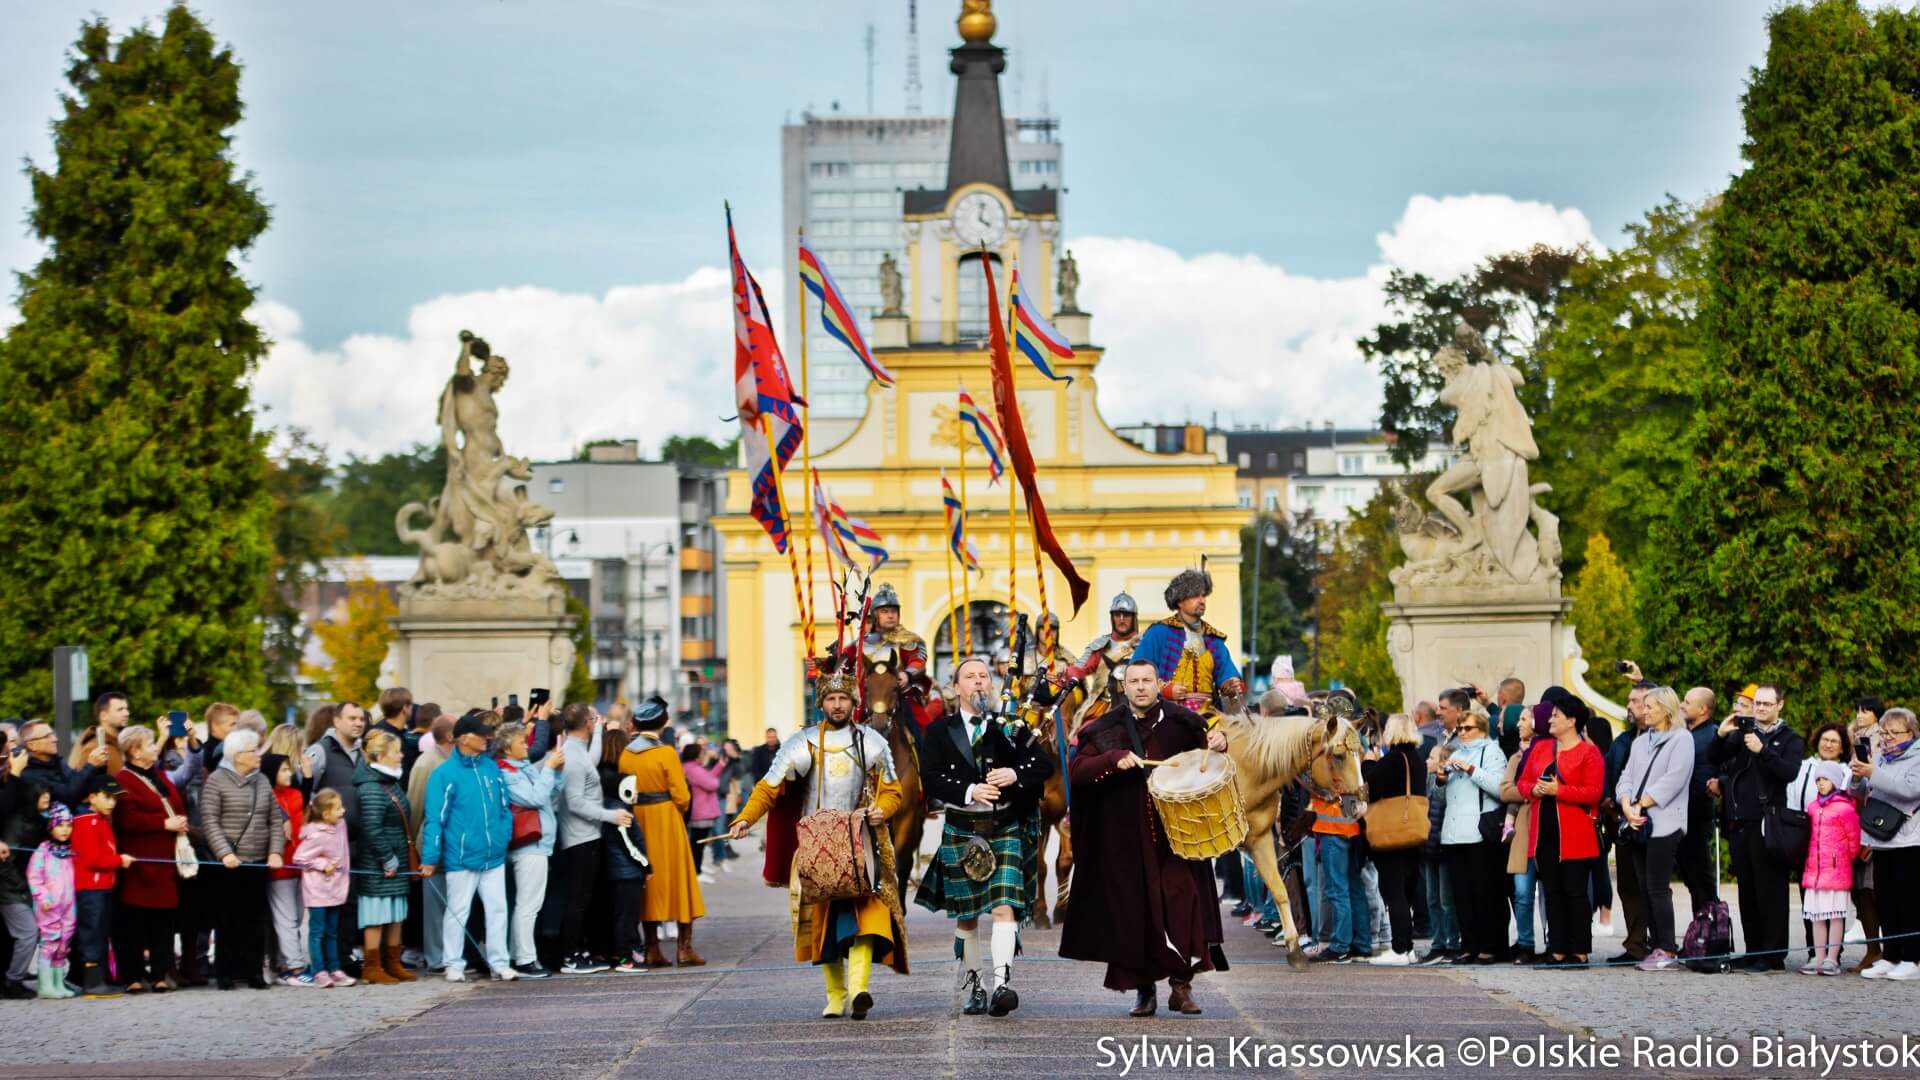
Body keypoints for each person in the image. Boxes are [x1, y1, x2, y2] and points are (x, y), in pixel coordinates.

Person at [725, 670, 910, 1018]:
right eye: (831, 699)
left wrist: (880, 810)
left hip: (860, 841)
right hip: (815, 844)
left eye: (843, 699)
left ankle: (859, 990)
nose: (837, 705)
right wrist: (746, 818)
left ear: (853, 703)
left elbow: (892, 790)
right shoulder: (802, 742)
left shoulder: (871, 741)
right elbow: (768, 787)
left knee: (867, 918)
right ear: (821, 703)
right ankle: (836, 995)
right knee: (823, 926)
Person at [1061, 659, 1229, 1014]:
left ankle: (1182, 986)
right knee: (1136, 915)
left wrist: (1220, 741)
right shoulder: (1104, 729)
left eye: (1147, 680)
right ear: (1124, 687)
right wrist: (1113, 758)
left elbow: (1210, 757)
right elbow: (1077, 772)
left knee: (1184, 904)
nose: (1140, 687)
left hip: (1179, 837)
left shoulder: (1185, 724)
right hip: (1127, 842)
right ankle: (1145, 991)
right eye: (1133, 681)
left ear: (1158, 684)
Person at [917, 655, 1052, 1017]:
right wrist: (969, 790)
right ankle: (975, 986)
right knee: (967, 916)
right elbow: (929, 777)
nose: (978, 682)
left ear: (990, 686)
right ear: (956, 686)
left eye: (983, 677)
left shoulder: (1009, 726)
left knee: (1004, 907)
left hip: (1003, 826)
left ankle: (1002, 985)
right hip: (962, 828)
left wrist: (1014, 774)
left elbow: (1042, 765)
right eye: (970, 677)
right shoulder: (939, 731)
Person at [1708, 682, 1804, 972]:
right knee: (1747, 891)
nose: (1760, 708)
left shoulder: (1789, 738)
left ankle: (1773, 954)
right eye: (1757, 703)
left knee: (1770, 891)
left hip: (1768, 821)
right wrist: (1720, 734)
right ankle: (1753, 950)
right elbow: (1714, 758)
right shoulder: (1743, 734)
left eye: (1766, 704)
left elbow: (1788, 772)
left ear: (1779, 705)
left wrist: (1763, 751)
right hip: (1739, 821)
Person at [420, 711, 517, 983]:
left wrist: (502, 837)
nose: (487, 738)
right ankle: (453, 963)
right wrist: (430, 857)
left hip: (493, 855)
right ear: (462, 738)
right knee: (457, 912)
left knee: (498, 909)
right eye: (481, 734)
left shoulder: (491, 768)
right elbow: (435, 819)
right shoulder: (443, 774)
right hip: (461, 857)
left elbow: (503, 807)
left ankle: (500, 962)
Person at [621, 698, 706, 967]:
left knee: (649, 884)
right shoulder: (666, 752)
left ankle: (652, 948)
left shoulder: (626, 754)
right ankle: (684, 947)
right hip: (666, 817)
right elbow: (682, 796)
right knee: (681, 880)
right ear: (662, 723)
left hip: (638, 820)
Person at [1521, 694, 1604, 965]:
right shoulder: (1541, 747)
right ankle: (1556, 948)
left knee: (1576, 893)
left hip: (1575, 835)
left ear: (1572, 720)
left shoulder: (1589, 752)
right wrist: (1532, 789)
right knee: (1552, 891)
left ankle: (1579, 950)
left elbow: (1594, 792)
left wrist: (1560, 790)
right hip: (1543, 833)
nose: (1550, 718)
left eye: (1556, 715)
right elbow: (1522, 782)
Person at [200, 728, 286, 990]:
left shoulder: (262, 781)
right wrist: (224, 852)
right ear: (238, 756)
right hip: (229, 862)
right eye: (253, 750)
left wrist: (275, 851)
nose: (259, 754)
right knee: (227, 919)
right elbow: (209, 819)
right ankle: (226, 972)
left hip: (258, 859)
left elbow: (274, 818)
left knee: (255, 919)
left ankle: (253, 971)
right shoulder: (216, 780)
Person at [1615, 687, 1694, 972]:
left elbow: (1674, 780)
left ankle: (1667, 948)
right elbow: (1626, 776)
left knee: (1657, 887)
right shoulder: (1639, 743)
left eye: (1650, 706)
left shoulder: (1682, 740)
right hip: (1638, 823)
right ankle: (1654, 944)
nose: (1643, 711)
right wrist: (1626, 803)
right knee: (1643, 887)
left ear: (1666, 709)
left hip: (1665, 824)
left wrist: (1642, 803)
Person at [549, 704, 626, 974]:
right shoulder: (572, 755)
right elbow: (575, 802)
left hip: (585, 835)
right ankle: (570, 956)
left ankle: (577, 950)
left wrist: (599, 733)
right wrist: (610, 816)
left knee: (583, 897)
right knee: (578, 898)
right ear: (587, 723)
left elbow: (590, 761)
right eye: (593, 720)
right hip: (579, 837)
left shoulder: (576, 749)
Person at [112, 726, 188, 993]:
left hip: (164, 860)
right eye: (150, 744)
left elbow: (176, 802)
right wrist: (164, 823)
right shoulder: (121, 778)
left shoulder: (157, 775)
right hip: (139, 861)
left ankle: (159, 972)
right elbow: (126, 818)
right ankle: (131, 974)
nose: (156, 748)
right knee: (134, 921)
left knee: (163, 921)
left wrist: (178, 821)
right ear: (134, 751)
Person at [1437, 690, 1507, 964]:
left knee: (1484, 893)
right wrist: (1441, 779)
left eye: (1468, 728)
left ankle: (1489, 946)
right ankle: (1469, 945)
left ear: (1481, 729)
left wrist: (1469, 769)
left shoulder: (1492, 750)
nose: (1462, 733)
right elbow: (1442, 798)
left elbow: (1499, 789)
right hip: (1453, 833)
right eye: (1460, 728)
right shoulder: (1454, 752)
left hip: (1479, 832)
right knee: (1461, 895)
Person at [1855, 707, 1920, 981]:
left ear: (1912, 733)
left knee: (1909, 901)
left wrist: (1874, 773)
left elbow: (1909, 789)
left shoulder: (1917, 757)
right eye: (1884, 732)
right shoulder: (1880, 757)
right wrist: (1859, 774)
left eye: (1894, 733)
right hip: (1881, 839)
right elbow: (1860, 791)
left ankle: (1912, 958)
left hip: (1909, 839)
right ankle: (1891, 955)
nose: (1888, 738)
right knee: (1886, 901)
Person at [495, 719, 562, 978]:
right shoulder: (507, 773)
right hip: (528, 844)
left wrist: (556, 771)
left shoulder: (522, 767)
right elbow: (534, 798)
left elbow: (550, 792)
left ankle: (520, 955)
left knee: (526, 903)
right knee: (528, 904)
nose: (527, 745)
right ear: (507, 748)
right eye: (521, 741)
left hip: (537, 843)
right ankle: (525, 959)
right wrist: (548, 768)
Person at [1132, 569, 1245, 721]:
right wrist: (1164, 690)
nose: (1202, 600)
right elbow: (1136, 673)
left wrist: (1231, 685)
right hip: (1166, 715)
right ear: (1179, 600)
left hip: (1208, 716)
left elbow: (1226, 672)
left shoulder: (1213, 638)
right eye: (1195, 595)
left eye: (1203, 595)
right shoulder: (1158, 633)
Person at [1362, 712, 1428, 966]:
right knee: (1406, 891)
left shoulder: (1392, 759)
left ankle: (1400, 949)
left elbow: (1369, 786)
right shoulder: (1417, 759)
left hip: (1391, 834)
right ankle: (1408, 947)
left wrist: (1368, 763)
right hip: (1412, 831)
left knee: (1393, 891)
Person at [353, 730, 417, 985]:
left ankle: (393, 962)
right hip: (379, 861)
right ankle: (372, 965)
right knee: (376, 914)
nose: (401, 755)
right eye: (396, 752)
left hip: (396, 856)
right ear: (380, 756)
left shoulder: (389, 782)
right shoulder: (371, 787)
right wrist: (387, 858)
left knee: (395, 912)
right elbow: (371, 827)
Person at [1600, 681, 1654, 964]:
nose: (1629, 706)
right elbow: (1611, 771)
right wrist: (1609, 801)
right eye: (1629, 700)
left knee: (1652, 886)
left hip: (1652, 821)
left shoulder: (1666, 738)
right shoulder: (1623, 740)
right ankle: (1635, 944)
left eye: (1635, 700)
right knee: (1628, 886)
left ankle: (1660, 944)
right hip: (1621, 821)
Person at [1791, 722, 1853, 964]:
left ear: (1841, 748)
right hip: (1808, 840)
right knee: (1811, 903)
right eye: (1825, 739)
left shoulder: (1847, 771)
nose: (1828, 744)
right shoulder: (1804, 767)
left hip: (1836, 850)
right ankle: (1814, 952)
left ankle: (1833, 955)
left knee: (1835, 906)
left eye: (1835, 741)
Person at [69, 774, 128, 996]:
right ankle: (91, 981)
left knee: (101, 932)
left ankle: (100, 978)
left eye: (115, 798)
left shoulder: (100, 820)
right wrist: (120, 860)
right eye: (107, 797)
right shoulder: (87, 821)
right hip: (90, 889)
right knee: (92, 934)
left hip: (102, 887)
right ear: (91, 797)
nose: (112, 802)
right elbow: (93, 859)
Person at [1799, 760, 1859, 976]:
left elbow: (1854, 840)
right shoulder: (1813, 807)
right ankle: (1819, 957)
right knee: (1816, 916)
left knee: (1835, 916)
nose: (1821, 784)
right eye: (1818, 780)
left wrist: (1841, 861)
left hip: (1835, 871)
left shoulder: (1844, 808)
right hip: (1814, 872)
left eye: (1825, 779)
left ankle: (1832, 959)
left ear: (1835, 781)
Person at [406, 711, 455, 972]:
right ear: (450, 735)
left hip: (456, 843)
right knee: (435, 906)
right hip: (432, 841)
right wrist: (414, 842)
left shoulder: (458, 761)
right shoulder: (427, 763)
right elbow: (414, 805)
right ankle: (436, 956)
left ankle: (452, 953)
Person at [292, 788, 355, 988]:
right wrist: (322, 864)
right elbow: (300, 858)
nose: (343, 811)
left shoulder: (340, 825)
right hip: (318, 891)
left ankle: (334, 968)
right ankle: (319, 970)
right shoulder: (316, 835)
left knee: (332, 931)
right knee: (318, 931)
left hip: (336, 888)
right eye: (338, 808)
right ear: (326, 814)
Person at [1054, 592, 1144, 726]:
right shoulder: (1101, 645)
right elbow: (1080, 668)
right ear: (1112, 618)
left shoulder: (1145, 644)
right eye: (1117, 615)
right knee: (1080, 738)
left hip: (1139, 705)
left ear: (1134, 618)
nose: (1121, 619)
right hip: (1103, 705)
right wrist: (1065, 672)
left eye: (1126, 615)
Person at [261, 752, 312, 986]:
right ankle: (294, 966)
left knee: (298, 916)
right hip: (279, 864)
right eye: (282, 770)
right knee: (286, 918)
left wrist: (308, 775)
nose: (288, 773)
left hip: (298, 863)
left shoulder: (295, 794)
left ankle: (285, 961)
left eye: (288, 769)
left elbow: (305, 809)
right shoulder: (267, 796)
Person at [0, 779, 48, 998]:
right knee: (28, 932)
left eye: (48, 793)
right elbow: (6, 863)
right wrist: (21, 885)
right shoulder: (17, 825)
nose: (46, 797)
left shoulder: (37, 821)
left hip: (21, 887)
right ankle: (13, 980)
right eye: (41, 794)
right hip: (11, 890)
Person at [1848, 696, 1885, 971]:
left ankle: (1888, 950)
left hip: (1880, 822)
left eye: (1867, 711)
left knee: (1874, 888)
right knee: (1859, 888)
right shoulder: (1856, 739)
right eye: (1858, 710)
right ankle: (1873, 949)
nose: (1861, 715)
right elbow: (1854, 788)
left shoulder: (1882, 740)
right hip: (1858, 819)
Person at [26, 802, 77, 999]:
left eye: (68, 825)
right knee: (50, 941)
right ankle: (45, 984)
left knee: (64, 942)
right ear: (51, 826)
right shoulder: (43, 850)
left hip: (69, 905)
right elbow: (34, 876)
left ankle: (58, 982)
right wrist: (42, 897)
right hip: (49, 905)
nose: (65, 829)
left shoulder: (72, 851)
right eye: (60, 824)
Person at [1678, 686, 1721, 918]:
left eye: (1687, 701)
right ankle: (1701, 934)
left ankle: (1712, 936)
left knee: (1702, 881)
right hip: (1681, 816)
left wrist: (1718, 784)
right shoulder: (1686, 733)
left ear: (1703, 709)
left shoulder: (1712, 736)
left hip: (1697, 816)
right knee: (1692, 880)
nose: (1682, 705)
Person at [305, 702, 366, 841]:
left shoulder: (365, 752)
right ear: (337, 722)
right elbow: (305, 791)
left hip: (362, 841)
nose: (359, 723)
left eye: (362, 719)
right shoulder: (319, 750)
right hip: (330, 840)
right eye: (352, 718)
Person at [17, 719, 102, 809]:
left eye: (53, 734)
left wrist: (100, 765)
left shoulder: (58, 762)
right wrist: (90, 765)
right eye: (47, 736)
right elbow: (68, 797)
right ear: (31, 745)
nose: (55, 739)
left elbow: (80, 786)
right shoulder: (30, 774)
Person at [681, 743, 724, 884]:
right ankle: (696, 871)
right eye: (701, 753)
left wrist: (719, 766)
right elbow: (711, 784)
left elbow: (708, 777)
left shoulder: (692, 767)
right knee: (698, 843)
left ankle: (697, 868)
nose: (703, 755)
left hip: (702, 810)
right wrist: (716, 779)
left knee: (698, 843)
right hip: (701, 811)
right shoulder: (693, 769)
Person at [67, 692, 131, 778]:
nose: (126, 713)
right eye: (120, 709)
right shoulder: (94, 748)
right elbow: (79, 784)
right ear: (103, 715)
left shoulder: (118, 744)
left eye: (126, 709)